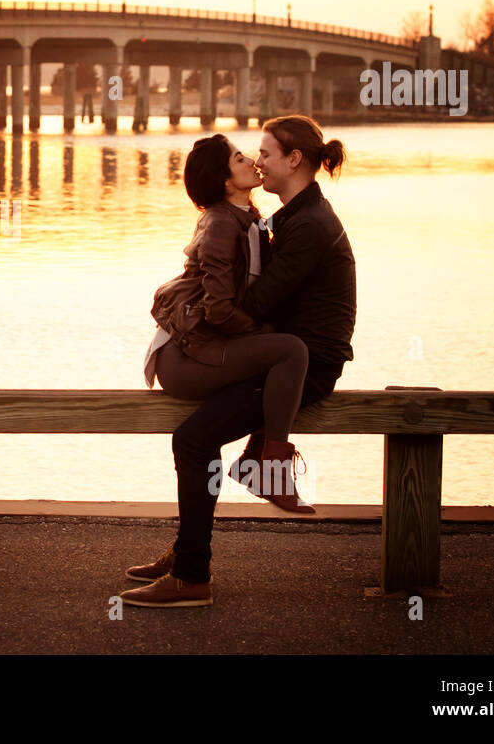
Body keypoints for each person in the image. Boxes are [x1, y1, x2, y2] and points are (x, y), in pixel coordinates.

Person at [122, 114, 355, 608]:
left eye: (266, 154)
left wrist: (201, 323)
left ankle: (191, 573)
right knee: (195, 438)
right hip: (276, 360)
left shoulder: (308, 224)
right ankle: (195, 547)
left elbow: (255, 304)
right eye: (251, 155)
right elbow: (244, 291)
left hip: (302, 366)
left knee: (193, 438)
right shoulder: (285, 218)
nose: (258, 161)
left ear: (294, 160)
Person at [141, 133, 312, 514]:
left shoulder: (250, 220)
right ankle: (270, 471)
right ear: (223, 179)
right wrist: (265, 335)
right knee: (290, 351)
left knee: (285, 353)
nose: (251, 160)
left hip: (208, 345)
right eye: (238, 159)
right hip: (182, 356)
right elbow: (218, 310)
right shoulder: (221, 223)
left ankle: (256, 462)